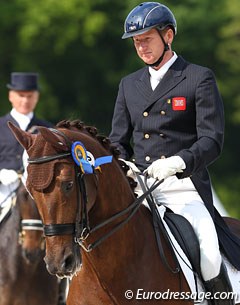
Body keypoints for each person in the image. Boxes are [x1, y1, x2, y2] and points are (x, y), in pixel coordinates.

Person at [109, 2, 240, 304]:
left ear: (168, 36)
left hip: (184, 185)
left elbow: (212, 139)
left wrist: (178, 162)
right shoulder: (129, 85)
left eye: (146, 39)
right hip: (140, 185)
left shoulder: (197, 77)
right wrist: (122, 164)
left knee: (208, 252)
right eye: (136, 42)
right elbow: (117, 140)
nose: (141, 47)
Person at [0, 72, 53, 205]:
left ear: (37, 97)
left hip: (35, 195)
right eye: (21, 96)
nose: (25, 101)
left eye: (30, 96)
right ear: (11, 96)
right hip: (3, 193)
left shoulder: (47, 130)